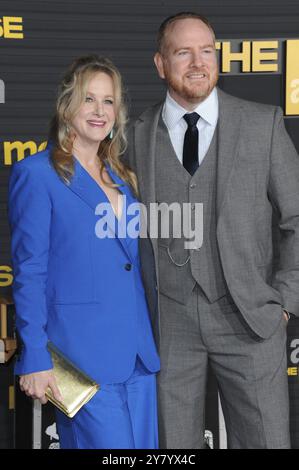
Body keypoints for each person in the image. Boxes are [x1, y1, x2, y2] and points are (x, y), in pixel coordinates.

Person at [127, 11, 299, 449]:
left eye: (207, 50)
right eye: (183, 52)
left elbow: (296, 219)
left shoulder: (264, 124)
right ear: (160, 64)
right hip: (167, 324)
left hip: (250, 319)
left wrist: (283, 303)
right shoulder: (132, 136)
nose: (198, 62)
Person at [8, 55, 160, 449]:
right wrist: (35, 356)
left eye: (108, 101)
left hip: (138, 355)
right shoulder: (37, 174)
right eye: (88, 99)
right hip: (82, 358)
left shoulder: (124, 178)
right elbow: (30, 271)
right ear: (66, 106)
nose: (99, 111)